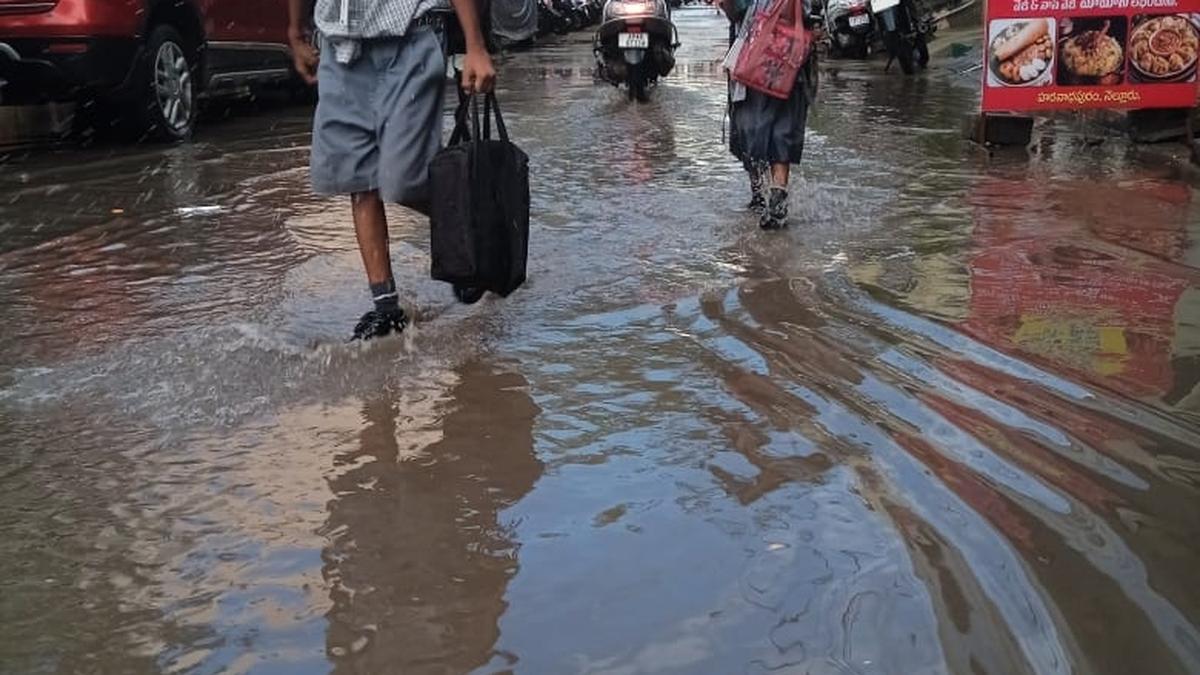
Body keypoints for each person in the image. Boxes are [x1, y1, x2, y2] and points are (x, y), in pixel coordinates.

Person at [288, 0, 496, 340]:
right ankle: (385, 307)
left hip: (412, 34)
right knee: (358, 179)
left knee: (403, 180)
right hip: (339, 42)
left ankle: (475, 229)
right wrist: (296, 31)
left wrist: (475, 46)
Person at [722, 0, 817, 230]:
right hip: (791, 62)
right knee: (783, 131)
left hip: (753, 64)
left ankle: (759, 195)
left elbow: (734, 9)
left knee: (749, 129)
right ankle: (777, 196)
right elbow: (812, 16)